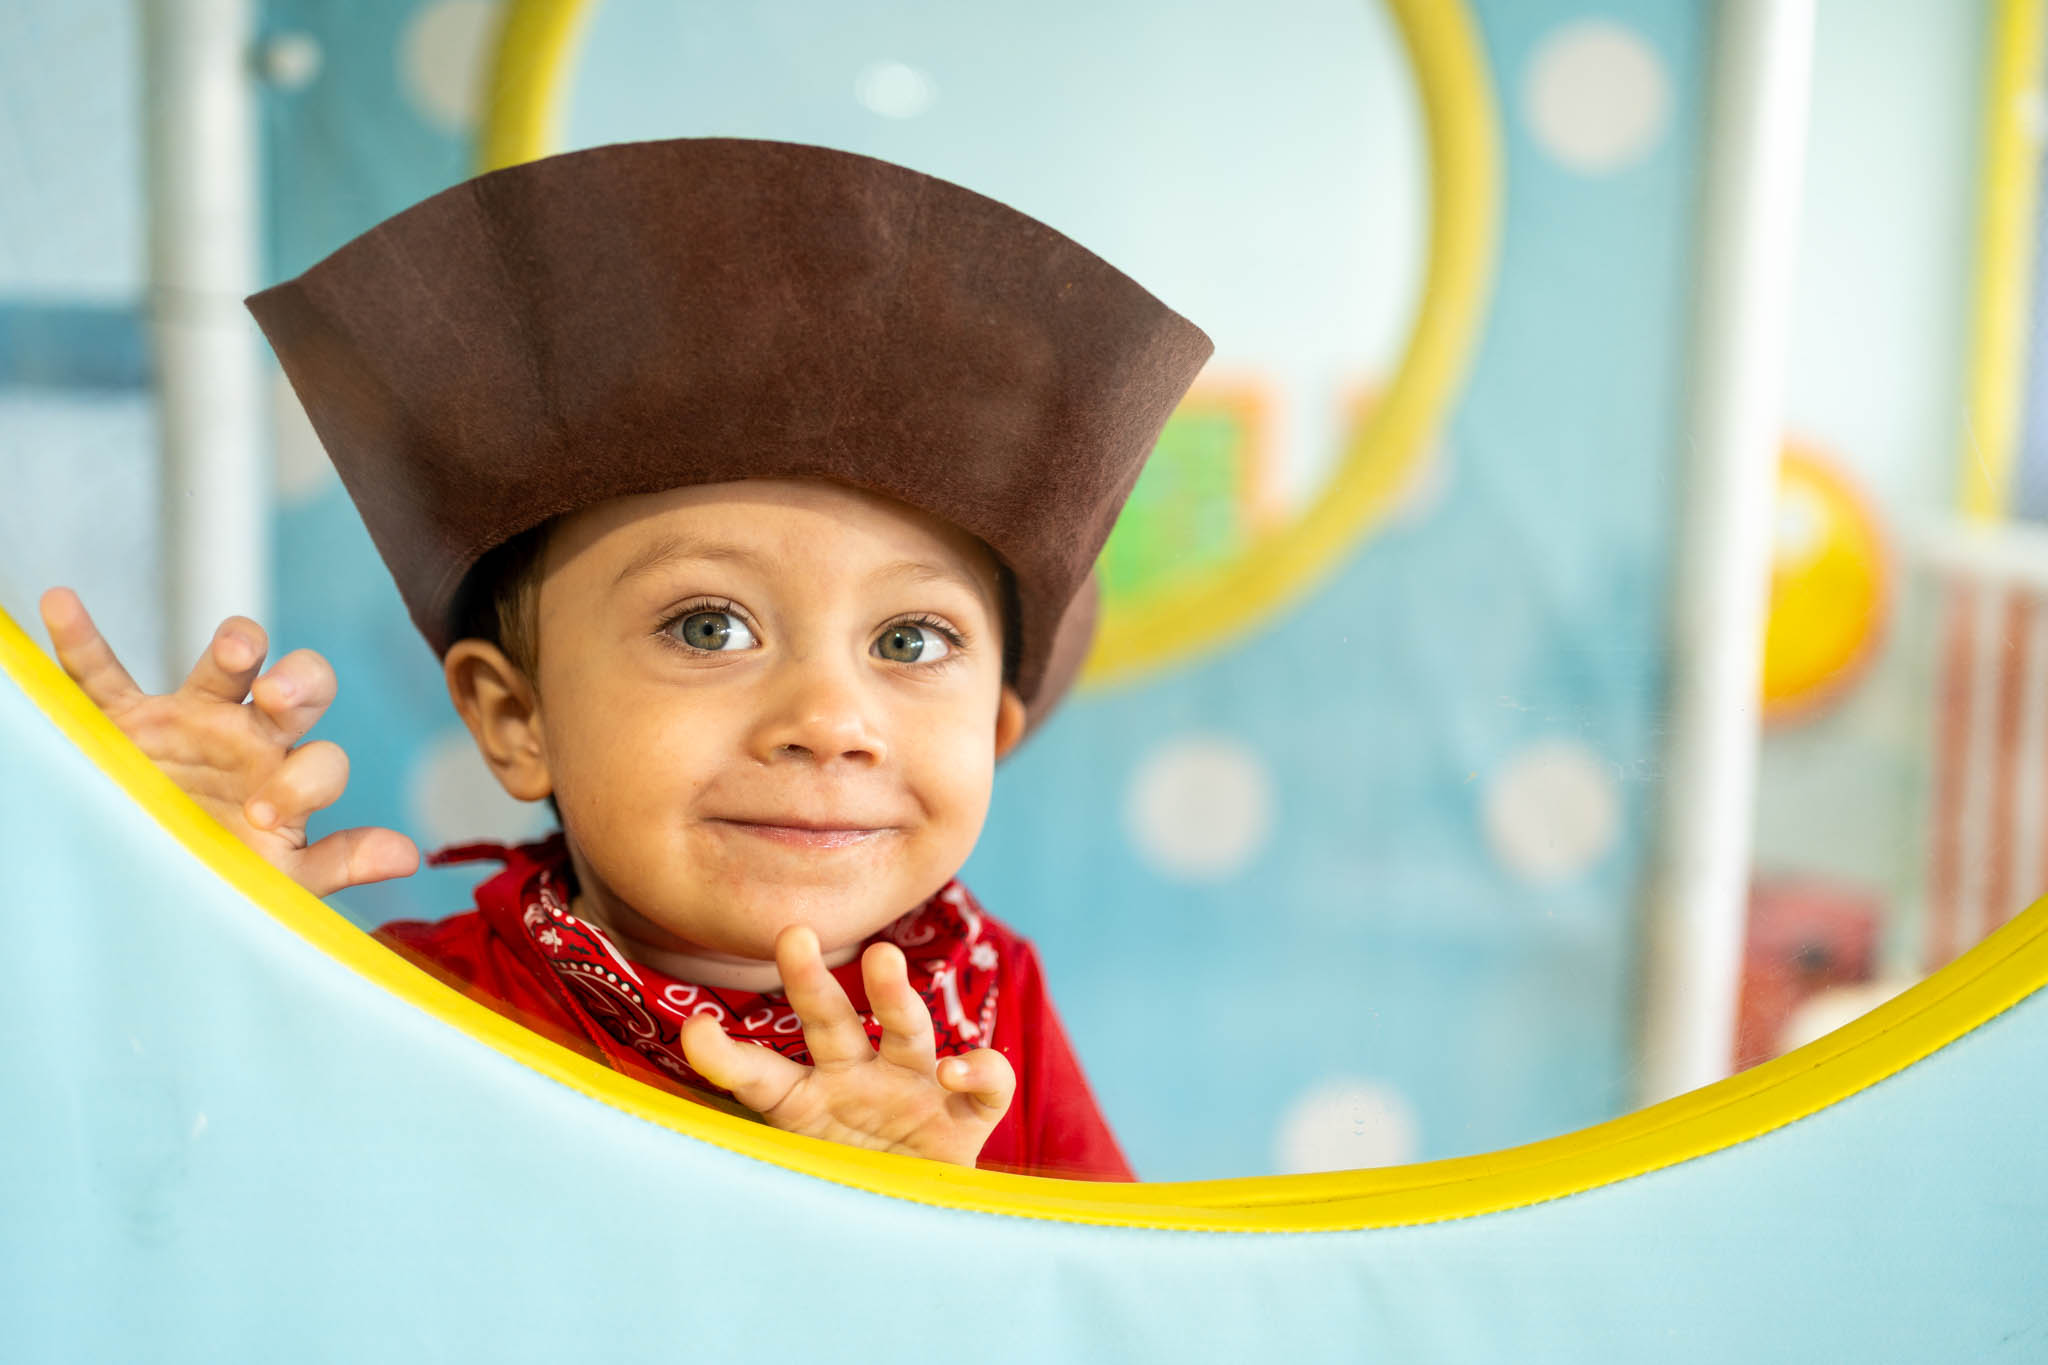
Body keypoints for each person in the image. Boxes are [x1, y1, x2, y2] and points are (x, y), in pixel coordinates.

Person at [40, 137, 1210, 1181]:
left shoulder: (989, 1013)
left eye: (910, 641)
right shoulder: (421, 1010)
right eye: (710, 626)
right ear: (515, 720)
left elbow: (1102, 1317)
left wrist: (915, 1221)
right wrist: (182, 927)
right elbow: (172, 1211)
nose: (826, 717)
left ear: (997, 732)